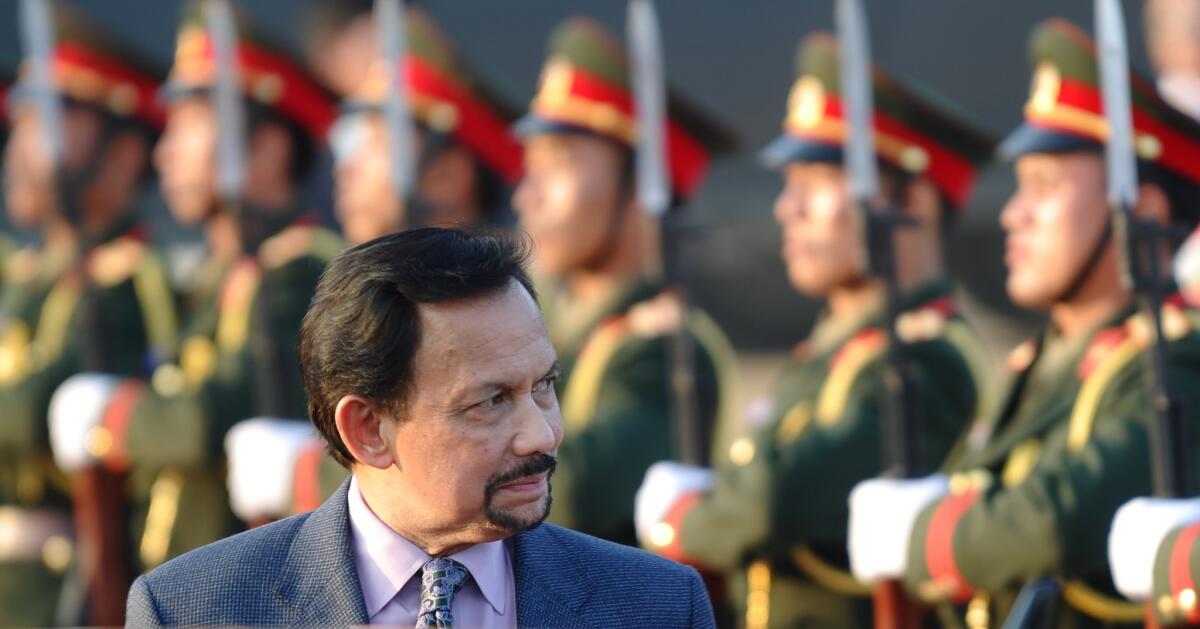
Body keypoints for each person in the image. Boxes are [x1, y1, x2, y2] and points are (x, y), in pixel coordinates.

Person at [125, 227, 716, 628]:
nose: (540, 434)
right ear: (367, 429)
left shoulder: (657, 607)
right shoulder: (194, 611)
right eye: (489, 402)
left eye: (544, 387)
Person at [634, 32, 995, 628]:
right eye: (789, 183)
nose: (787, 208)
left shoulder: (930, 361)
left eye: (819, 181)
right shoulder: (831, 354)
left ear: (915, 198)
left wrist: (686, 516)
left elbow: (775, 500)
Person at [847, 18, 1200, 628]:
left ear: (1140, 209)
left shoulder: (1174, 363)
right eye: (1018, 187)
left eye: (1044, 186)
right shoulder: (1041, 362)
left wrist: (922, 536)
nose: (1013, 214)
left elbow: (1052, 521)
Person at [46, 0, 341, 574]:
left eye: (190, 125)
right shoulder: (218, 277)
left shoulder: (300, 274)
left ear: (266, 148)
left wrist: (118, 419)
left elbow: (214, 415)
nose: (165, 152)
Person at [224, 4, 528, 524]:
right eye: (349, 141)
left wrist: (307, 475)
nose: (347, 164)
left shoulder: (506, 319)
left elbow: (483, 465)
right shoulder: (370, 298)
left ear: (450, 176)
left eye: (375, 141)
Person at [511, 15, 739, 548]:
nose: (527, 194)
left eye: (558, 164)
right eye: (529, 167)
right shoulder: (562, 329)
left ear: (639, 189)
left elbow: (571, 494)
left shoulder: (662, 349)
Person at [0, 5, 176, 625]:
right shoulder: (26, 276)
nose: (19, 147)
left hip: (53, 588)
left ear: (124, 152)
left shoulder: (128, 280)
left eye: (45, 123)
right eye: (20, 123)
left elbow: (27, 412)